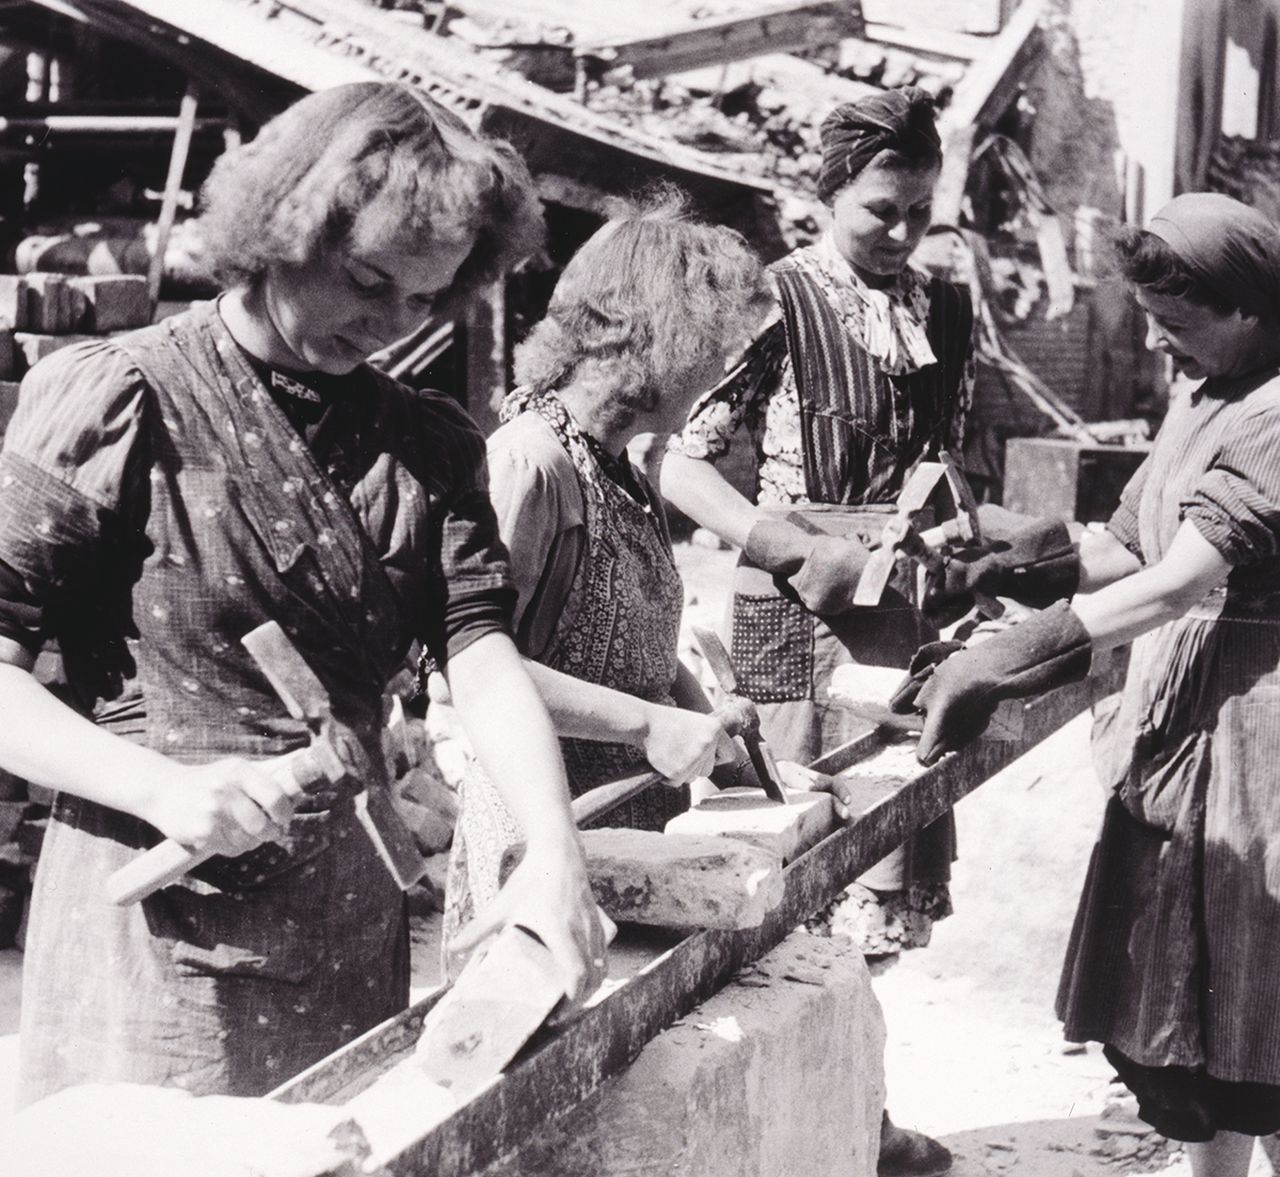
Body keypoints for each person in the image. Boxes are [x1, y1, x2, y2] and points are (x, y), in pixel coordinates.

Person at [1, 81, 604, 1106]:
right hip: (154, 936)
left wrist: (552, 846)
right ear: (283, 227)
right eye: (365, 279)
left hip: (343, 921)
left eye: (422, 297)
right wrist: (160, 788)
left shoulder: (425, 444)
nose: (386, 321)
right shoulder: (120, 401)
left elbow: (479, 654)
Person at [894, 192, 1280, 1177]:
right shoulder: (1206, 390)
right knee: (1193, 1019)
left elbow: (1180, 580)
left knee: (1257, 1005)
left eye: (1178, 326)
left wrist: (1016, 652)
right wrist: (1021, 553)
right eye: (1152, 326)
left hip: (1260, 741)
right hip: (1190, 725)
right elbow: (1126, 545)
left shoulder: (1275, 412)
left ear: (1250, 309)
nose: (1160, 348)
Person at [661, 87, 973, 1177]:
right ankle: (803, 1125)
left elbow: (948, 456)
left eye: (918, 213)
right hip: (785, 608)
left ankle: (861, 1114)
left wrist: (958, 540)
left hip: (900, 606)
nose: (898, 235)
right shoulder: (774, 305)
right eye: (877, 212)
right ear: (823, 195)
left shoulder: (940, 307)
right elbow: (678, 459)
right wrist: (786, 544)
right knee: (794, 860)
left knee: (884, 860)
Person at [446, 193, 820, 945]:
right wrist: (651, 723)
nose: (720, 366)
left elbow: (641, 654)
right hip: (541, 836)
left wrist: (710, 724)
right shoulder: (532, 462)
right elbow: (475, 669)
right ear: (653, 338)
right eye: (713, 343)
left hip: (627, 823)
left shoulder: (618, 467)